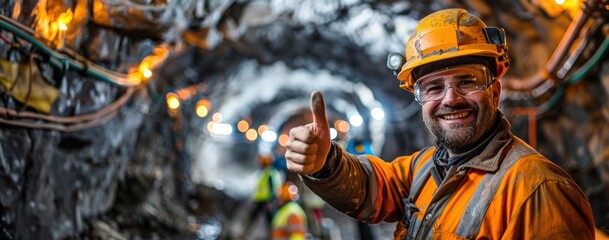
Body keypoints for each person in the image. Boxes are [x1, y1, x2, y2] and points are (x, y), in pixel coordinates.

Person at [284, 8, 595, 239]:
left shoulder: (539, 190)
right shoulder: (426, 168)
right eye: (433, 87)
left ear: (496, 91)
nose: (450, 99)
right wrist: (326, 164)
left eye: (467, 82)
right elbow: (371, 189)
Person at [244, 154, 283, 237]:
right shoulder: (265, 172)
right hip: (259, 200)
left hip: (266, 201)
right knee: (253, 217)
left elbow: (273, 189)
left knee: (270, 221)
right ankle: (246, 234)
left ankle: (271, 236)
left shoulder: (270, 174)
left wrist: (271, 201)